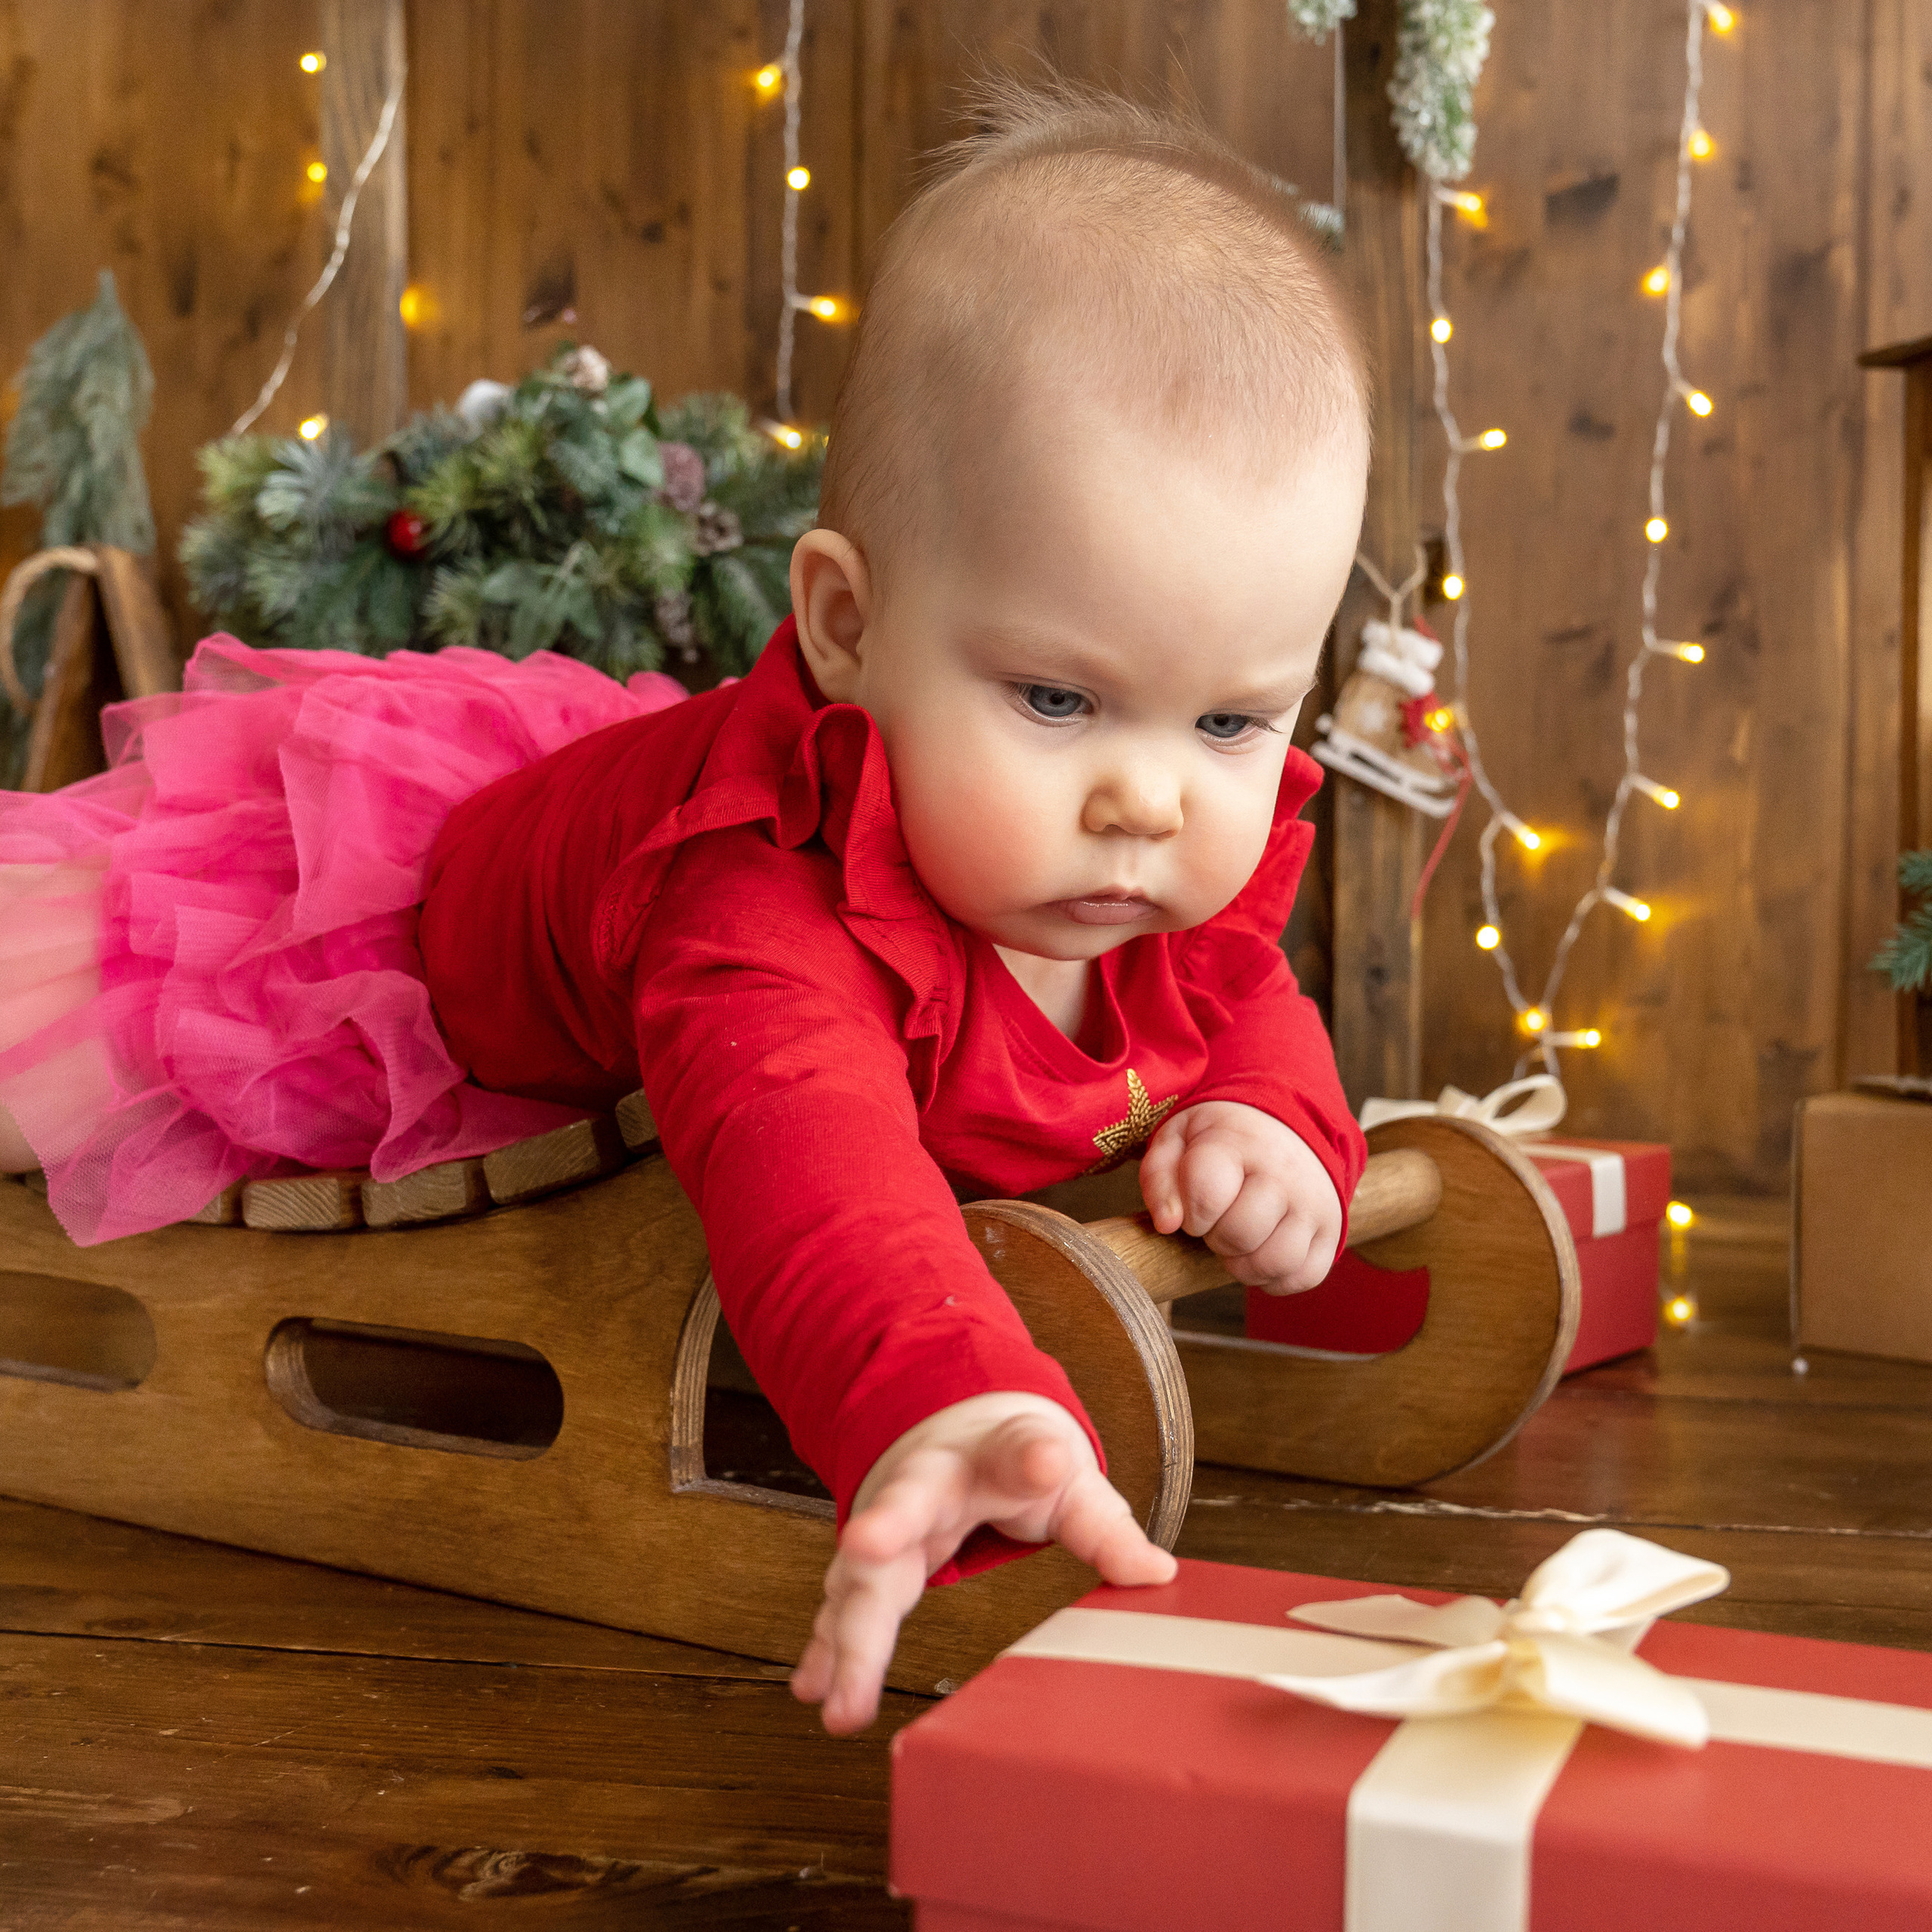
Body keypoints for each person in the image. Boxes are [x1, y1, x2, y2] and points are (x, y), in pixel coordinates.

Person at [0, 82, 1371, 1735]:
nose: (1152, 801)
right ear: (847, 626)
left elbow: (1239, 992)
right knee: (61, 1048)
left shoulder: (1139, 864)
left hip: (596, 820)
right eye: (1058, 701)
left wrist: (1284, 1121)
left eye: (1230, 721)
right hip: (379, 931)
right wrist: (937, 1402)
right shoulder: (758, 910)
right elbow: (815, 1176)